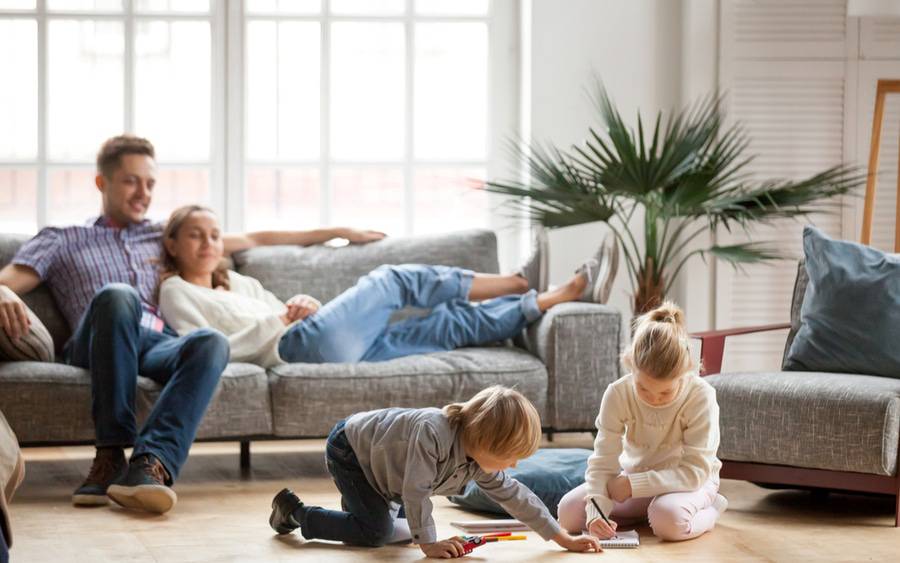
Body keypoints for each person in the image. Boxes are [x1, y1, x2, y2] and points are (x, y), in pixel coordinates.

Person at [0, 135, 385, 514]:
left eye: (150, 183)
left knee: (210, 342)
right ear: (102, 183)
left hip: (155, 342)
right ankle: (110, 454)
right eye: (131, 181)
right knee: (119, 295)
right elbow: (12, 278)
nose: (143, 192)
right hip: (97, 341)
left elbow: (256, 237)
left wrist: (338, 232)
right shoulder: (63, 239)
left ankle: (150, 466)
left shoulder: (163, 234)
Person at [156, 205, 611, 367]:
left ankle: (552, 297)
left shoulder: (237, 281)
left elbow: (284, 307)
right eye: (195, 234)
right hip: (294, 347)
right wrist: (281, 320)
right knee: (392, 280)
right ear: (172, 244)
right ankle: (516, 280)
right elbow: (203, 348)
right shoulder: (176, 292)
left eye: (214, 235)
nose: (208, 243)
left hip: (320, 340)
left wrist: (302, 303)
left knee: (445, 326)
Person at [268, 386, 602, 557]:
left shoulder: (479, 459)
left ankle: (359, 511)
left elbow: (517, 497)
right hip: (352, 451)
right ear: (485, 440)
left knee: (396, 532)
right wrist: (429, 544)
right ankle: (296, 513)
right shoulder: (433, 432)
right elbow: (416, 491)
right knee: (377, 534)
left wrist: (563, 538)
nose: (513, 466)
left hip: (387, 471)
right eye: (509, 457)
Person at [557, 302, 727, 541]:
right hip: (635, 477)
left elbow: (693, 472)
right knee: (568, 514)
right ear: (630, 365)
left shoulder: (701, 396)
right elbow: (603, 462)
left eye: (666, 393)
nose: (654, 399)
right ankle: (645, 512)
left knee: (668, 521)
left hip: (689, 482)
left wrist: (632, 485)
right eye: (643, 389)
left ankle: (710, 511)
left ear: (686, 372)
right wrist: (597, 513)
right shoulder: (617, 393)